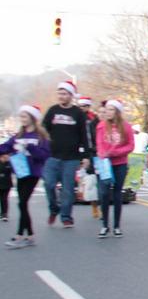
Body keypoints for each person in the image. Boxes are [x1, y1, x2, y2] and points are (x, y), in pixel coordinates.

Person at [1, 105, 51, 248]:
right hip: (21, 172)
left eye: (24, 116)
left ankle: (20, 235)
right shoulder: (18, 136)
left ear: (32, 118)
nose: (22, 119)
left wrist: (29, 147)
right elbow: (5, 147)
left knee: (22, 203)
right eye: (20, 116)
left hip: (33, 173)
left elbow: (44, 155)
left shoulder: (39, 136)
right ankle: (28, 235)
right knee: (22, 203)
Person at [41, 80, 89, 227]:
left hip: (71, 158)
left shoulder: (78, 114)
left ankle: (66, 216)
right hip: (52, 156)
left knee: (68, 190)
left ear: (71, 95)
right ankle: (54, 209)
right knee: (49, 184)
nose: (61, 96)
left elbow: (84, 136)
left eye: (64, 94)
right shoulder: (52, 111)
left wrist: (86, 156)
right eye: (59, 93)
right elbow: (43, 131)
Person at [95, 100, 134, 238]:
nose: (108, 112)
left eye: (111, 109)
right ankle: (105, 225)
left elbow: (130, 145)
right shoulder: (101, 126)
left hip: (120, 163)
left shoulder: (126, 127)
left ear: (117, 111)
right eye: (106, 109)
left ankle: (117, 225)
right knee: (104, 193)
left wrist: (115, 152)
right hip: (105, 164)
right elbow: (99, 143)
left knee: (117, 194)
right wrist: (102, 153)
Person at [79, 96, 101, 219]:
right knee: (89, 180)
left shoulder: (94, 119)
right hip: (83, 152)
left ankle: (99, 205)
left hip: (96, 152)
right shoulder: (76, 118)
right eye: (80, 106)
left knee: (98, 180)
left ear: (88, 107)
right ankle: (94, 206)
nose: (81, 108)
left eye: (84, 106)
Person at [0, 154, 10, 222]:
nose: (6, 158)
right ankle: (3, 213)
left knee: (4, 199)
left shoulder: (9, 164)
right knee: (2, 199)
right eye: (4, 157)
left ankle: (4, 214)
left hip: (7, 184)